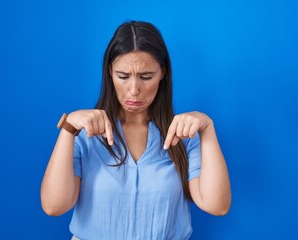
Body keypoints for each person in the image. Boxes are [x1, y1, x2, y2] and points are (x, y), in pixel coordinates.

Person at [41, 20, 231, 240]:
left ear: (163, 73)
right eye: (123, 76)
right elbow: (54, 206)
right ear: (110, 73)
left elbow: (218, 206)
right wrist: (68, 129)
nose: (134, 90)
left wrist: (207, 128)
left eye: (145, 77)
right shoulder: (84, 134)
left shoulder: (184, 136)